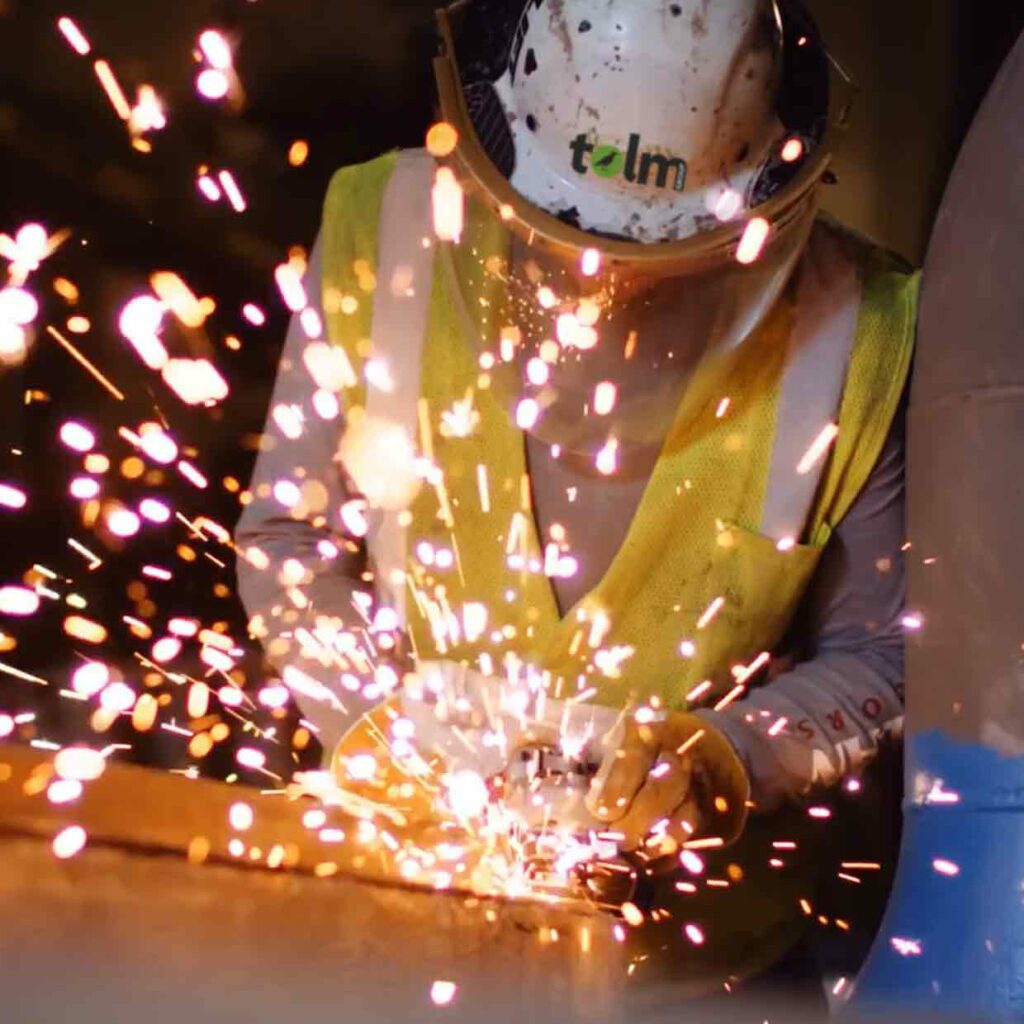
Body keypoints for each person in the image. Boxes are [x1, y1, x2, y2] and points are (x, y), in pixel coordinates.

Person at [235, 0, 917, 1000]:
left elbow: (890, 650)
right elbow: (288, 534)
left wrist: (729, 757)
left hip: (703, 973)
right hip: (397, 940)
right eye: (566, 250)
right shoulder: (387, 231)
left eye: (658, 270)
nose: (606, 297)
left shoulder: (860, 329)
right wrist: (369, 722)